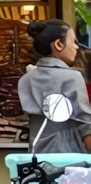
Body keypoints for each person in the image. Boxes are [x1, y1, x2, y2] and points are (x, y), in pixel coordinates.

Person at [18, 19, 91, 153]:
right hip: (69, 157)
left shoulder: (25, 79)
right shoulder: (72, 77)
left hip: (37, 153)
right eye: (73, 42)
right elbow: (85, 123)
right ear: (58, 44)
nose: (76, 47)